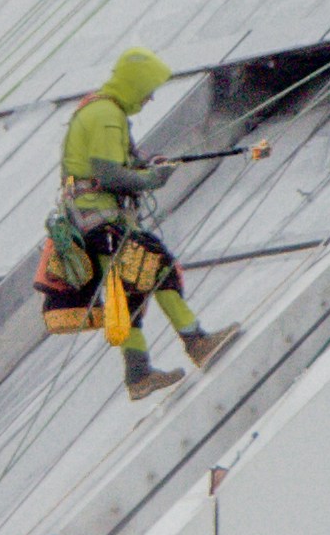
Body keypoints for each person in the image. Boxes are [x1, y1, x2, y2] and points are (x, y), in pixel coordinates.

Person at [55, 48, 229, 399]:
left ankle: (138, 374)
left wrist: (146, 164)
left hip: (89, 221)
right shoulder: (107, 115)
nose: (150, 98)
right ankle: (197, 342)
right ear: (134, 84)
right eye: (148, 89)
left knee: (126, 293)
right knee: (160, 268)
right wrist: (153, 179)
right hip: (101, 219)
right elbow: (107, 172)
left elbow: (110, 165)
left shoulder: (98, 109)